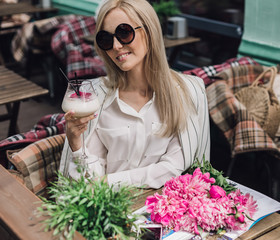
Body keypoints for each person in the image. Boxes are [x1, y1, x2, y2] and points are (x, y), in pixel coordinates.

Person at [59, 0, 210, 189]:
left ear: (149, 32)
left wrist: (109, 181)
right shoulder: (96, 96)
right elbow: (90, 180)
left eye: (124, 32)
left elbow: (174, 167)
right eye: (106, 39)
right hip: (110, 208)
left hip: (164, 210)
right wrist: (76, 144)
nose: (115, 45)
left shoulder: (188, 91)